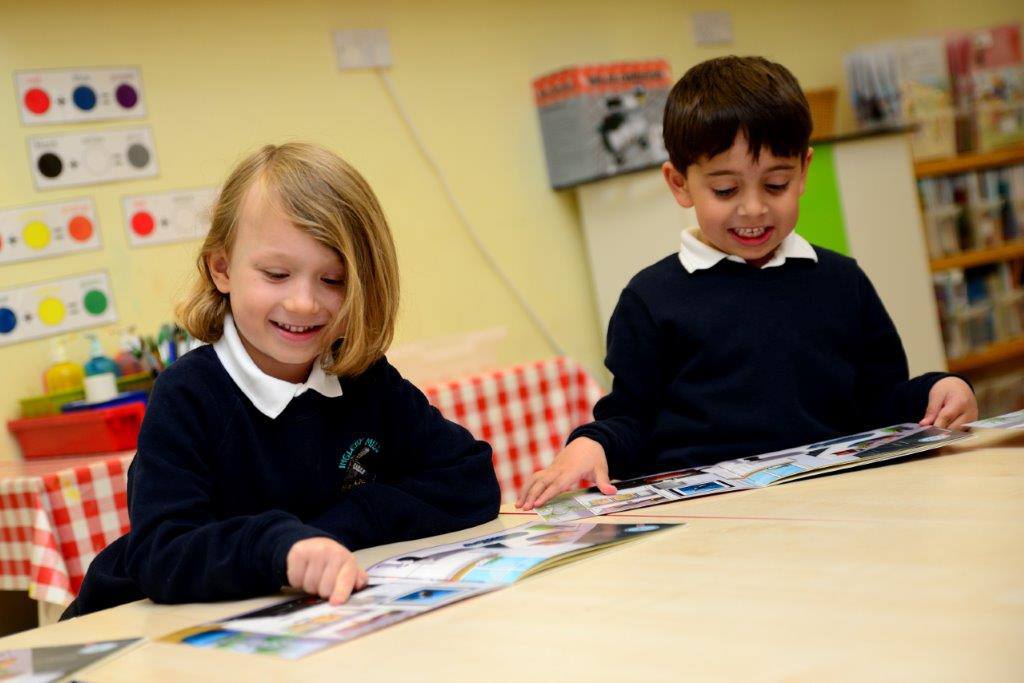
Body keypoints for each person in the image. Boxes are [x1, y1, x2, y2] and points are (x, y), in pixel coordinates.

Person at [517, 56, 976, 511]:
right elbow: (631, 419)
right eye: (726, 191)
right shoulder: (651, 300)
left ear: (803, 171)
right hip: (712, 518)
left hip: (841, 504)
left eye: (776, 184)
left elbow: (882, 402)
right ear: (679, 184)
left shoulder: (842, 281)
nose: (753, 209)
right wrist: (593, 445)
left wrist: (936, 391)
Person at [64, 143, 500, 617]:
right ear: (223, 269)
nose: (304, 303)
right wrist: (284, 549)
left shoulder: (363, 377)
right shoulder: (187, 395)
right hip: (136, 625)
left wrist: (337, 528)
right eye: (276, 274)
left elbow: (469, 480)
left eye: (332, 280)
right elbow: (165, 553)